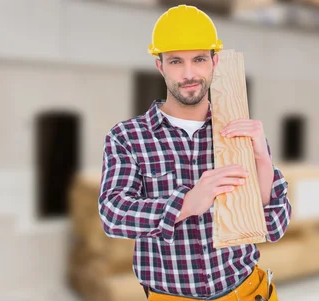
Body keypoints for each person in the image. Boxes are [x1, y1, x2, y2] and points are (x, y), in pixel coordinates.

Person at [98, 4, 291, 301]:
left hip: (249, 293)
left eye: (199, 59)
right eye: (176, 61)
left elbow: (275, 226)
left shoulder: (240, 134)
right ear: (160, 65)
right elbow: (113, 214)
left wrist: (262, 161)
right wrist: (186, 203)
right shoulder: (127, 138)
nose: (189, 74)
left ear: (214, 62)